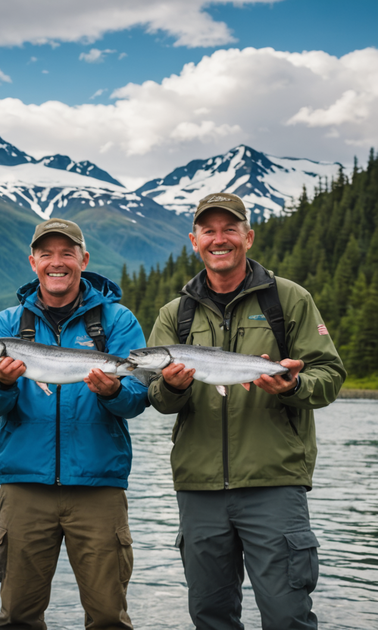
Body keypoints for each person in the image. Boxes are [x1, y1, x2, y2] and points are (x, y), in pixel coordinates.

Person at [146, 193, 345, 629]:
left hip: (274, 484)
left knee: (287, 614)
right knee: (210, 615)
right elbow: (157, 399)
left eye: (230, 229)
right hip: (198, 489)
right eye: (209, 231)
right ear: (194, 240)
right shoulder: (174, 315)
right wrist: (172, 387)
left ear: (248, 237)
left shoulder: (289, 300)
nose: (220, 239)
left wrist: (292, 385)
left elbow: (329, 375)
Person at [0, 219, 149, 630]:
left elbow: (139, 397)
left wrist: (111, 392)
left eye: (67, 253)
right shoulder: (6, 324)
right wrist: (0, 381)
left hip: (99, 487)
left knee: (108, 616)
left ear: (83, 260)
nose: (57, 263)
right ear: (33, 262)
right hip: (23, 486)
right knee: (17, 615)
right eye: (47, 254)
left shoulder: (117, 321)